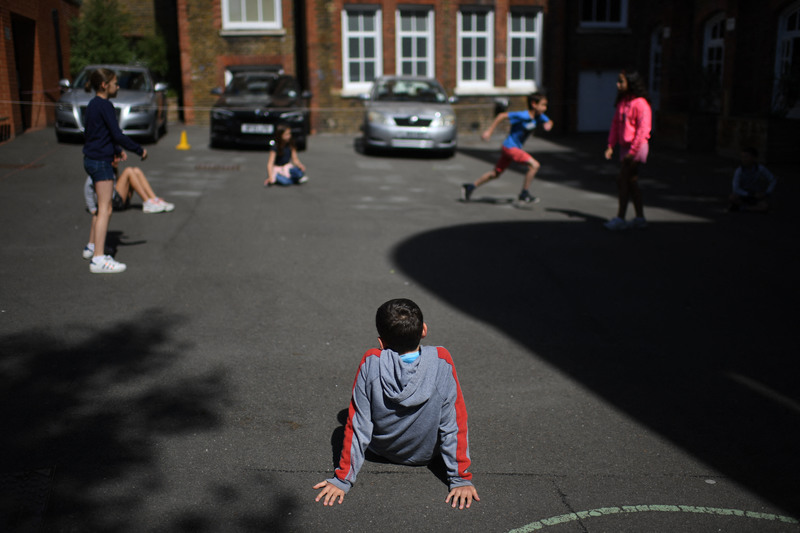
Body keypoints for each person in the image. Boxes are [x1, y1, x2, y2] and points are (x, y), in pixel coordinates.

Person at [314, 299, 479, 510]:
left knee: (344, 428)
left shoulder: (371, 362)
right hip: (426, 455)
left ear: (381, 342)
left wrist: (343, 479)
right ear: (424, 330)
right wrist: (460, 478)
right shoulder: (441, 361)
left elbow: (358, 425)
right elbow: (454, 422)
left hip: (382, 451)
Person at [82, 68, 147, 273]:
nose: (118, 86)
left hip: (91, 159)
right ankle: (99, 259)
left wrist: (116, 150)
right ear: (104, 85)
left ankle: (92, 247)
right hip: (101, 163)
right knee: (106, 208)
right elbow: (117, 134)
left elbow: (99, 134)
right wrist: (139, 149)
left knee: (100, 208)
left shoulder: (92, 105)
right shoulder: (106, 105)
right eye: (115, 83)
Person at [461, 92, 553, 204]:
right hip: (510, 147)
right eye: (543, 105)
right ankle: (524, 193)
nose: (545, 108)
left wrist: (549, 124)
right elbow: (501, 116)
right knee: (534, 165)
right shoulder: (523, 115)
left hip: (511, 148)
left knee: (496, 173)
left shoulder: (539, 117)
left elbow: (548, 121)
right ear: (534, 104)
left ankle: (470, 187)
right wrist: (489, 131)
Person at [81, 163, 175, 259]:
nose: (118, 159)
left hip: (118, 199)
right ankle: (147, 202)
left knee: (136, 170)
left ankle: (153, 199)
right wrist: (92, 207)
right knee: (128, 171)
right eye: (116, 157)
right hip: (113, 201)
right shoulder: (99, 169)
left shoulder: (111, 169)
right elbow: (87, 189)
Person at [603, 69, 652, 230]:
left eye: (621, 82)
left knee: (622, 181)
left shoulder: (641, 104)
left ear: (630, 83)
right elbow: (615, 125)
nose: (618, 84)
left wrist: (632, 152)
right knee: (631, 183)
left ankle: (620, 218)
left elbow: (643, 131)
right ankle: (640, 217)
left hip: (636, 149)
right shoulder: (623, 102)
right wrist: (611, 145)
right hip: (625, 148)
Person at [728, 147, 777, 212]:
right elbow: (736, 188)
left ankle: (744, 208)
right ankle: (750, 207)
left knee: (764, 206)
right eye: (742, 157)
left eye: (746, 157)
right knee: (732, 197)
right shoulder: (739, 171)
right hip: (744, 194)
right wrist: (750, 194)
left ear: (754, 158)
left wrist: (767, 193)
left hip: (756, 195)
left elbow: (772, 180)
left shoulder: (760, 169)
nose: (743, 159)